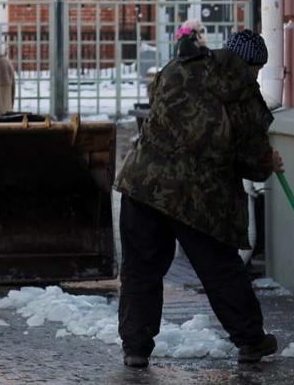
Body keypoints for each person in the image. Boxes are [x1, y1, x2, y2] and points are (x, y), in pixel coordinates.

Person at [114, 29, 283, 368]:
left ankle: (136, 348)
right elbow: (252, 158)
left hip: (142, 183)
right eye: (257, 69)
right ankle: (251, 340)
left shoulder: (178, 67)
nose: (256, 76)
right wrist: (268, 162)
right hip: (198, 198)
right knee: (220, 270)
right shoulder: (244, 94)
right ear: (251, 65)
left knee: (140, 271)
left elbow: (159, 110)